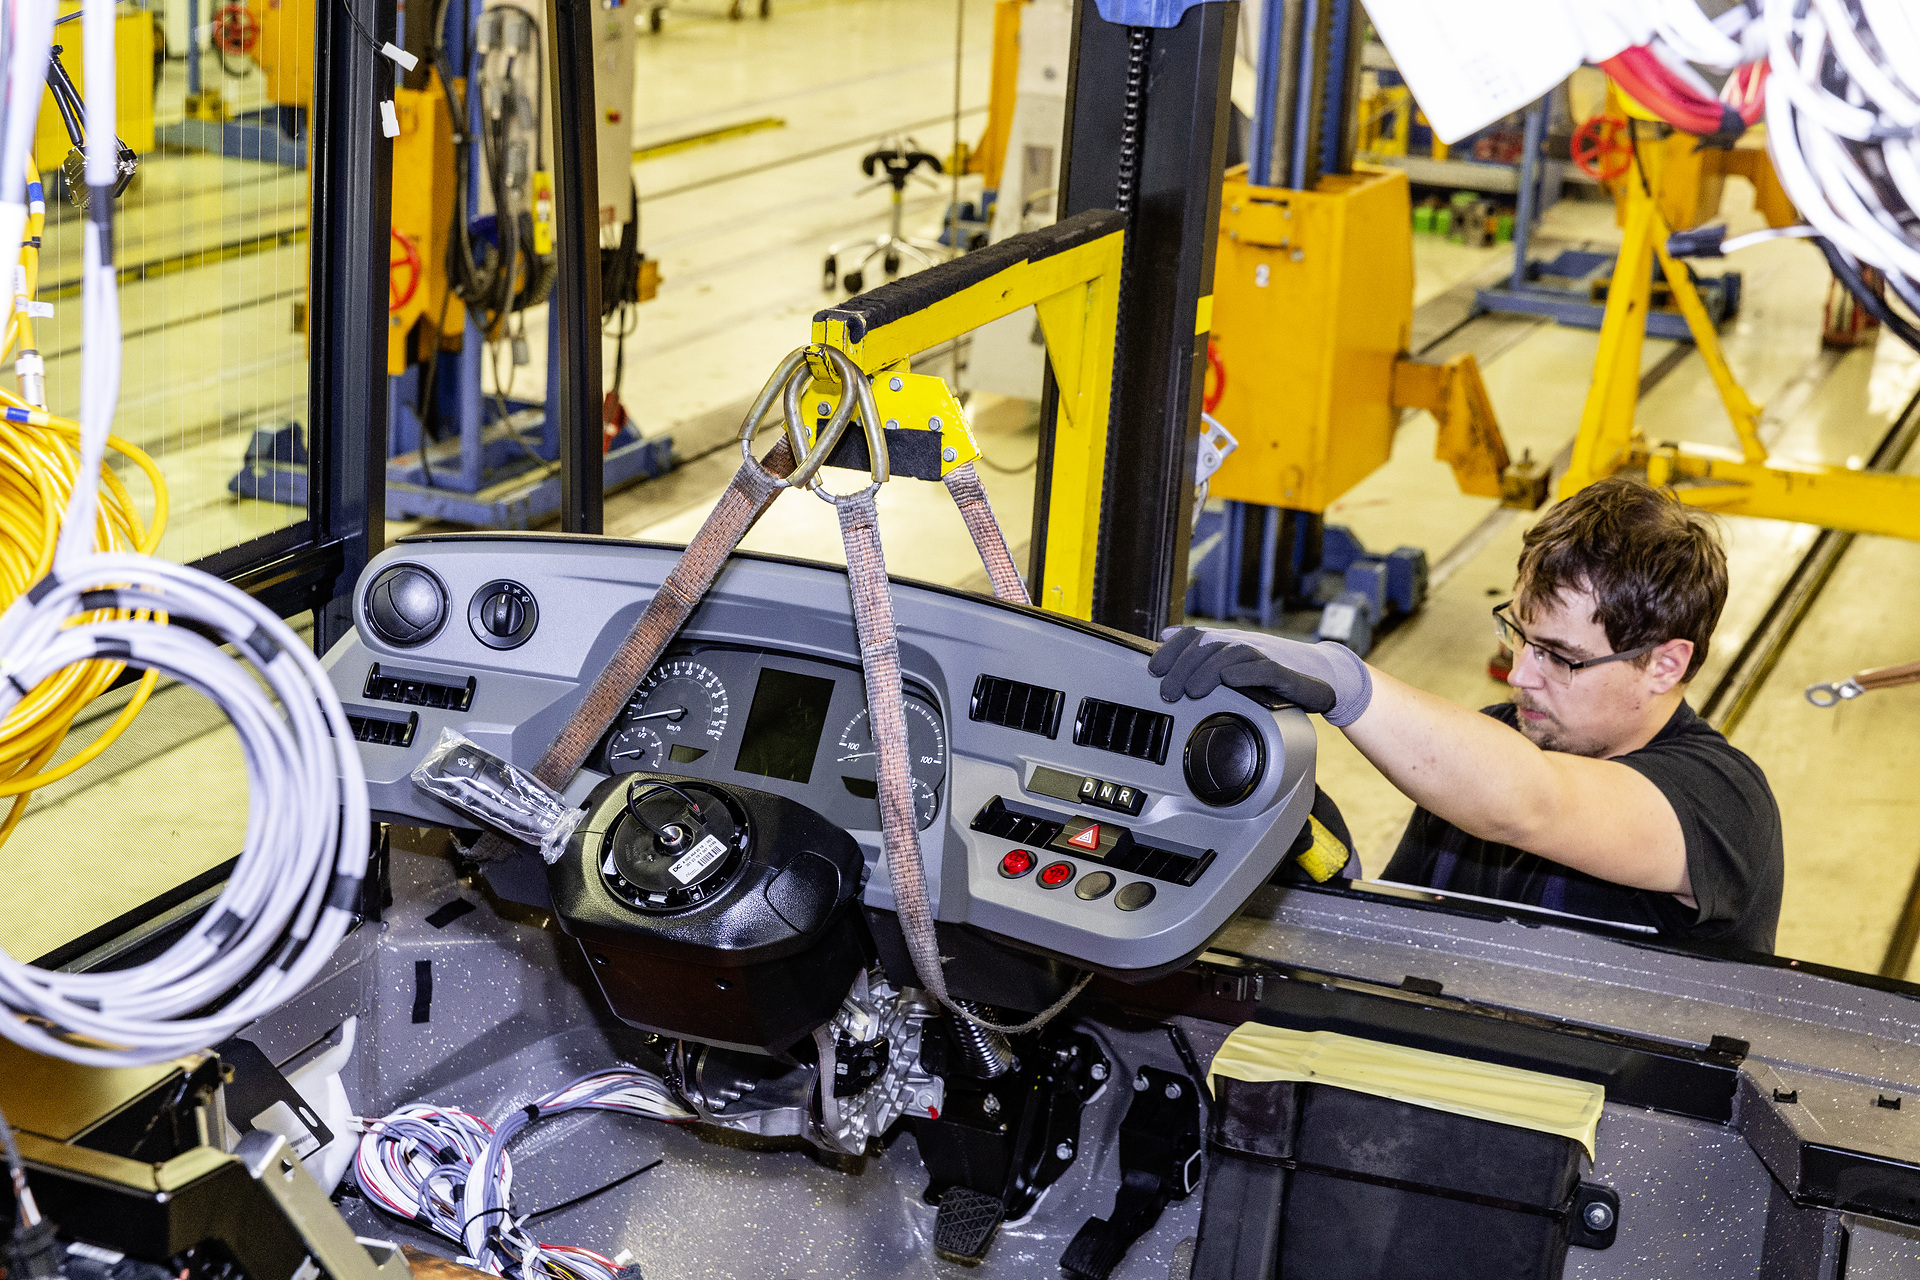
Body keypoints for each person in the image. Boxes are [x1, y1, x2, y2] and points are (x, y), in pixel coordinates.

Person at [1152, 476, 1784, 952]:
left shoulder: (1722, 800)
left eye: (1561, 656)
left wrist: (1344, 679)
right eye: (1520, 636)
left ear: (1665, 665)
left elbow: (1534, 806)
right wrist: (1324, 880)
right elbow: (1404, 938)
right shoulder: (1494, 742)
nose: (1519, 675)